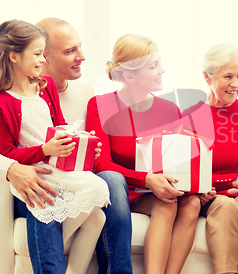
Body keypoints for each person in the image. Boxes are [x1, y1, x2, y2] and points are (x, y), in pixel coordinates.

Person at [0, 17, 133, 274]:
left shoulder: (75, 90)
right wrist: (12, 168)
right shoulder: (1, 101)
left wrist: (87, 147)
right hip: (36, 175)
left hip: (67, 172)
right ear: (44, 55)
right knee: (42, 200)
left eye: (80, 47)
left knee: (106, 188)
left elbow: (66, 131)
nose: (82, 57)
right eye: (70, 51)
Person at [86, 33, 201, 274]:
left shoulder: (170, 108)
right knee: (167, 204)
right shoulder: (100, 105)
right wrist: (146, 179)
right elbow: (102, 165)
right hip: (124, 191)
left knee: (191, 203)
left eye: (160, 63)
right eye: (153, 66)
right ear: (129, 75)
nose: (162, 71)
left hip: (159, 187)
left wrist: (198, 179)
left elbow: (179, 161)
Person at [181, 43, 238, 274]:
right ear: (207, 78)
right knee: (226, 205)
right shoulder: (189, 115)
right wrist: (229, 181)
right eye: (228, 76)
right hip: (211, 197)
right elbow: (184, 172)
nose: (236, 84)